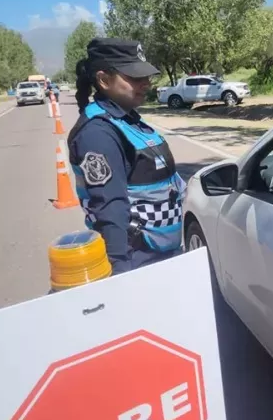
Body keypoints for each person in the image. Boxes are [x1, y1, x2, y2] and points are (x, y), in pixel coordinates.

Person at [67, 38, 186, 274]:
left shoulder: (127, 119)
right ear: (103, 80)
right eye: (134, 77)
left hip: (161, 254)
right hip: (136, 261)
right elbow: (109, 209)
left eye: (146, 76)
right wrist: (119, 277)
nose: (146, 83)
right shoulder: (98, 134)